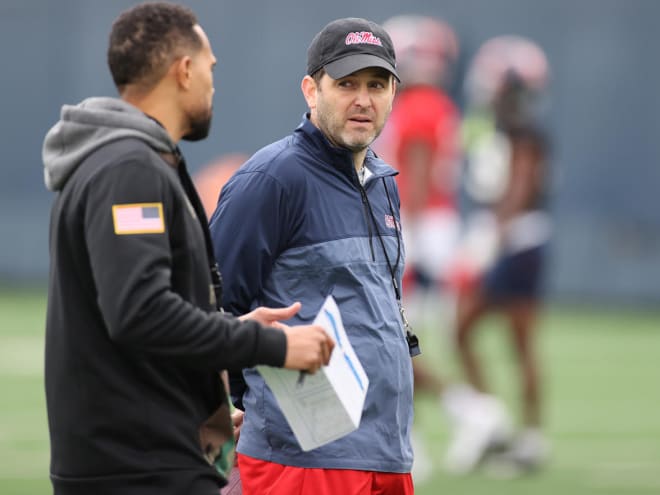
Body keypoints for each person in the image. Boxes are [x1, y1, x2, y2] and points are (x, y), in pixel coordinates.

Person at [41, 3, 333, 495]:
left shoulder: (129, 162)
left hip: (151, 454)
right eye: (210, 69)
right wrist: (275, 346)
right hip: (136, 468)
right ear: (184, 70)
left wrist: (229, 336)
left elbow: (140, 316)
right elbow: (140, 311)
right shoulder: (127, 170)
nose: (212, 85)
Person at [209, 17, 416, 495]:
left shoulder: (383, 184)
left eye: (377, 84)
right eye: (346, 84)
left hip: (386, 452)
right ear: (311, 89)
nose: (363, 99)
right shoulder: (271, 180)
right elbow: (210, 306)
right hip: (304, 458)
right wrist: (229, 404)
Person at [375, 14, 513, 478]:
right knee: (395, 343)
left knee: (393, 341)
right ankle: (425, 433)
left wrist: (400, 235)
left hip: (418, 231)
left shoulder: (419, 107)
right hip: (434, 229)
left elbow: (413, 178)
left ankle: (468, 412)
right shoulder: (437, 106)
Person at [450, 34, 553, 474]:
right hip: (508, 243)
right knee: (466, 332)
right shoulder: (500, 129)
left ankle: (526, 438)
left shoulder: (524, 133)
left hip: (518, 244)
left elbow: (520, 188)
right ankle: (497, 423)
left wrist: (488, 239)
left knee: (516, 341)